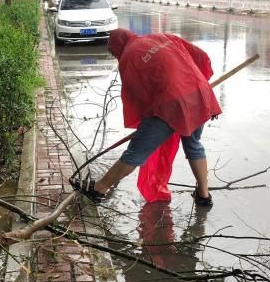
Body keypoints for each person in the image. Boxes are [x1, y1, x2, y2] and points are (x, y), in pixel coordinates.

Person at [70, 28, 222, 207]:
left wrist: (145, 125)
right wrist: (204, 93)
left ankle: (99, 188)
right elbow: (200, 56)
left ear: (117, 48)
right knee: (194, 145)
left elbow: (136, 96)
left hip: (169, 105)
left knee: (135, 152)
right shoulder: (163, 37)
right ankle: (204, 196)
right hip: (198, 95)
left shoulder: (128, 57)